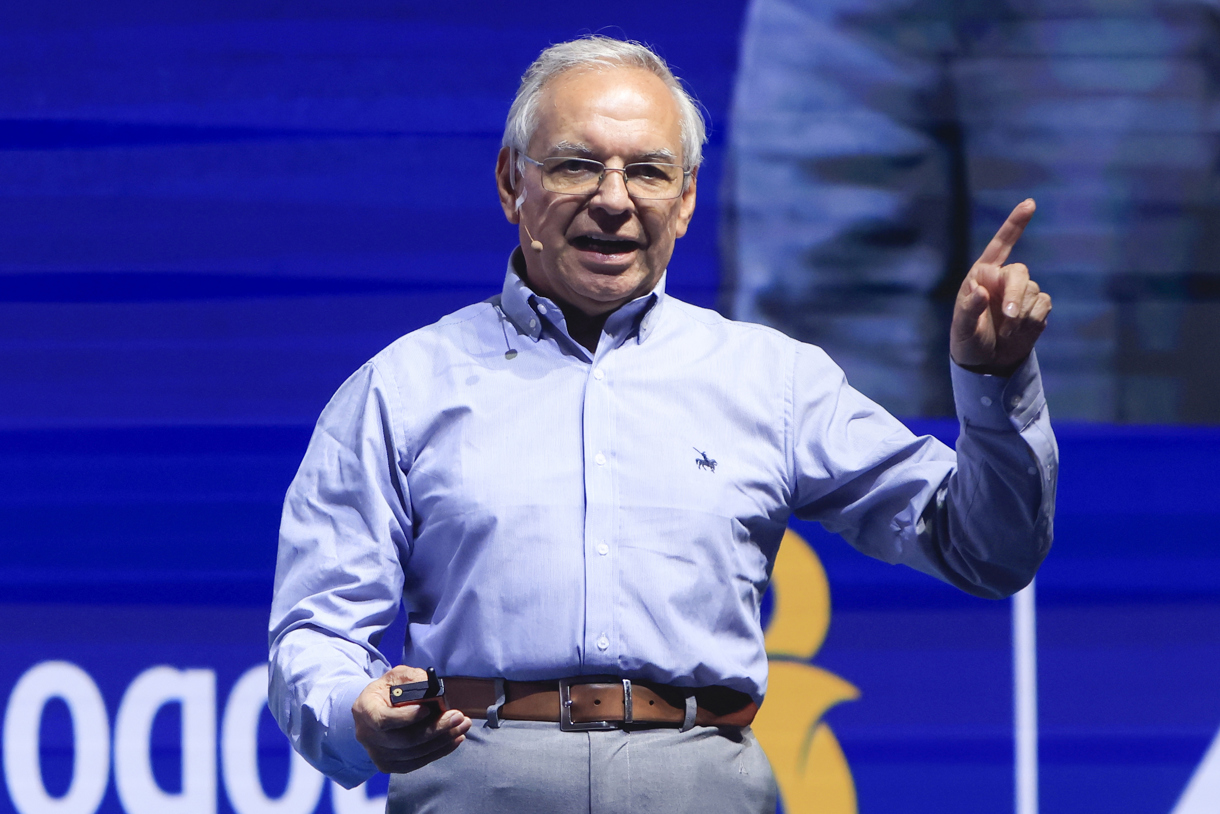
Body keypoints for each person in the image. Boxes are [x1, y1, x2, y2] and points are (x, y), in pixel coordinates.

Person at [269, 35, 1057, 813]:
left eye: (647, 171)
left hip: (702, 785)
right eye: (578, 164)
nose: (613, 199)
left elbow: (986, 550)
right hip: (473, 776)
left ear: (684, 201)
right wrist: (355, 713)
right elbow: (314, 632)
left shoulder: (771, 379)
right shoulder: (400, 388)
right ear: (512, 182)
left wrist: (991, 385)